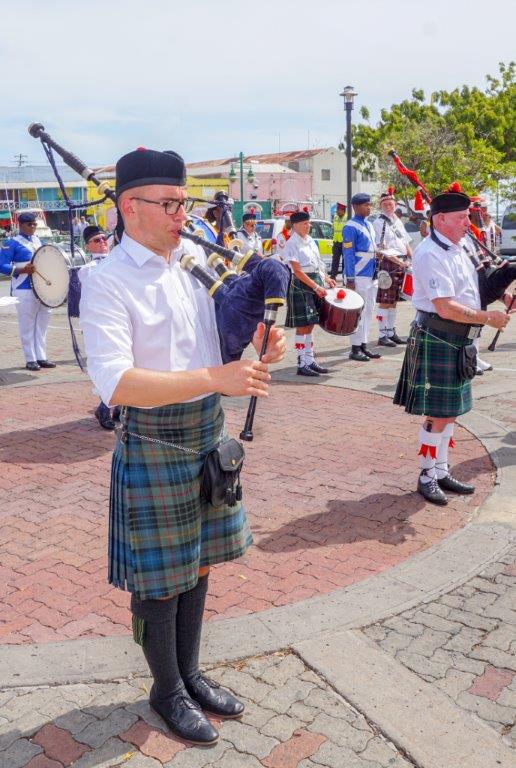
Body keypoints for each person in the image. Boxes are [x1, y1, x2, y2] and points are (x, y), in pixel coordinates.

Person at [79, 148, 285, 745]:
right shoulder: (107, 281)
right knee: (159, 579)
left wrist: (256, 347)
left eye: (184, 203)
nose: (181, 215)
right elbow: (116, 383)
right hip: (153, 440)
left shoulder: (191, 259)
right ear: (129, 207)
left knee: (197, 563)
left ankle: (190, 675)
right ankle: (164, 688)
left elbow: (213, 339)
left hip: (205, 432)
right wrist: (215, 379)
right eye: (169, 204)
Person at [394, 185, 510, 505]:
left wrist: (503, 296)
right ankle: (426, 474)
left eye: (468, 217)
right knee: (437, 414)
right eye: (461, 218)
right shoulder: (430, 253)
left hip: (458, 339)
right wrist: (488, 317)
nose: (467, 224)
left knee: (450, 414)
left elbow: (474, 287)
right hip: (438, 335)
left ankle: (441, 469)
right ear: (441, 219)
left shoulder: (459, 248)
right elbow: (444, 306)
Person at [0, 211, 55, 371]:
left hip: (42, 288)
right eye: (29, 224)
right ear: (20, 225)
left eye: (35, 224)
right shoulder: (12, 243)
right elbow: (1, 265)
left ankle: (41, 356)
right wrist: (21, 270)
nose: (33, 227)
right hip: (23, 287)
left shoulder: (39, 240)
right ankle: (30, 358)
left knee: (43, 323)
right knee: (27, 324)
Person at [283, 209, 335, 376]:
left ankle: (310, 359)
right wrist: (316, 287)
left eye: (309, 223)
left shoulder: (310, 240)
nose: (309, 226)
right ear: (296, 225)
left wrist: (326, 279)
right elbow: (297, 271)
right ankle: (301, 363)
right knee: (303, 326)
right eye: (305, 223)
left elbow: (317, 264)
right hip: (301, 284)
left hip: (315, 281)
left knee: (311, 324)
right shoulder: (291, 243)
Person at [79, 225, 118, 430]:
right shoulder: (88, 269)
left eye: (104, 238)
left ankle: (118, 404)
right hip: (100, 324)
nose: (102, 242)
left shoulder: (117, 263)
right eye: (96, 240)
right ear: (87, 246)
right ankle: (104, 406)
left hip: (119, 321)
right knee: (108, 365)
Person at [343, 193, 381, 362]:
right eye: (366, 205)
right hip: (359, 274)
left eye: (369, 204)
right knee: (358, 311)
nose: (369, 207)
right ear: (356, 207)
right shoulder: (350, 226)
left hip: (371, 272)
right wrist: (350, 278)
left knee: (368, 311)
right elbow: (348, 254)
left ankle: (363, 344)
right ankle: (355, 347)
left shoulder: (369, 225)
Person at [373, 188, 412, 346]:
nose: (389, 206)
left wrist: (410, 257)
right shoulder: (378, 222)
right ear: (381, 206)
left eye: (391, 204)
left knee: (394, 300)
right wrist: (399, 261)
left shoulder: (397, 221)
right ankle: (382, 334)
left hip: (402, 262)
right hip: (389, 263)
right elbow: (381, 248)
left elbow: (406, 242)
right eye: (386, 204)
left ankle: (391, 331)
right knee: (385, 300)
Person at [329, 202, 347, 279]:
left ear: (343, 210)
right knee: (335, 260)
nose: (336, 211)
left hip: (344, 242)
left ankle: (344, 277)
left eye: (338, 210)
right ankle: (333, 276)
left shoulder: (347, 218)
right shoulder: (335, 217)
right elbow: (333, 228)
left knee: (344, 261)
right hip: (336, 241)